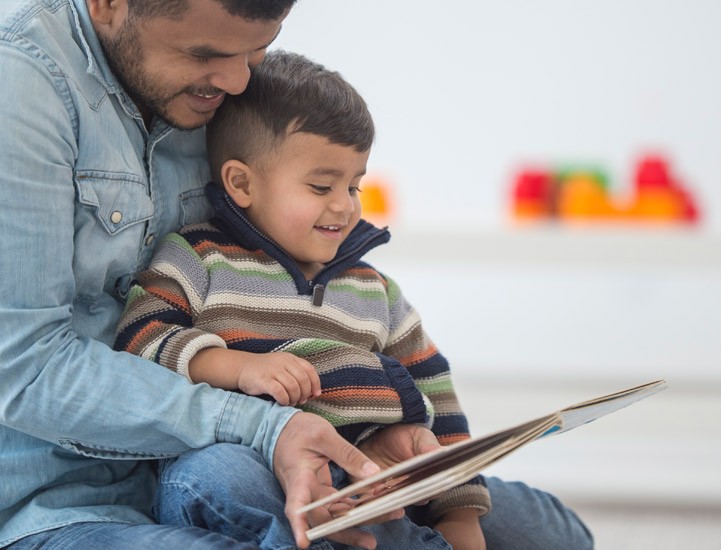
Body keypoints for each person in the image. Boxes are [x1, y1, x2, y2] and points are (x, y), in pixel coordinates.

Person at [114, 51, 594, 550]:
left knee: (551, 529)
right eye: (322, 186)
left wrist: (457, 513)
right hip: (254, 467)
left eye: (354, 184)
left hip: (373, 476)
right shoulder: (198, 257)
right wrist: (234, 366)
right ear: (242, 183)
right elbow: (138, 338)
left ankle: (397, 532)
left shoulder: (374, 290)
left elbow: (439, 396)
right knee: (214, 478)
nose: (344, 204)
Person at [0, 1, 400, 549]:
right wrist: (262, 425)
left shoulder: (213, 87)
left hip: (209, 468)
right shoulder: (19, 84)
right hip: (53, 506)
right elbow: (25, 370)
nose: (238, 81)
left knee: (528, 521)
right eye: (205, 54)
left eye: (257, 49)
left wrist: (374, 426)